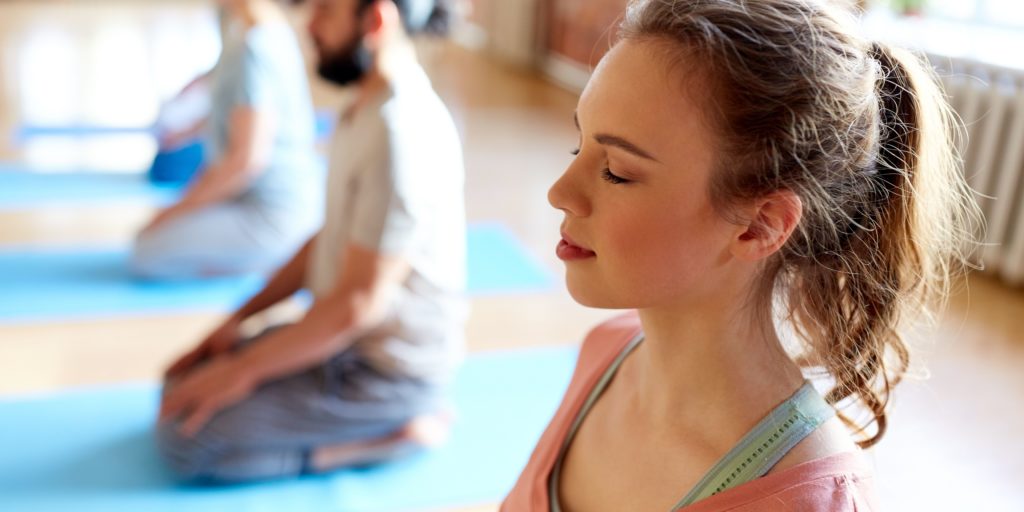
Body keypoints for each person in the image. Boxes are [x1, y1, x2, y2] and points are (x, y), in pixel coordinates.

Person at [503, 0, 978, 510]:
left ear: (759, 226)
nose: (559, 192)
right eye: (580, 147)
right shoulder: (607, 351)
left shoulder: (806, 499)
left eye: (616, 170)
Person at [155, 0, 465, 483]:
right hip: (339, 339)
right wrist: (237, 321)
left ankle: (391, 438)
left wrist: (243, 372)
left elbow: (358, 305)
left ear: (376, 20)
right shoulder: (365, 102)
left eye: (325, 10)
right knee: (178, 386)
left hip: (384, 373)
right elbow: (328, 239)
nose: (309, 24)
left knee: (187, 442)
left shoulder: (402, 130)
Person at [132, 0, 323, 279]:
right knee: (151, 239)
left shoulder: (258, 46)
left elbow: (247, 161)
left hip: (273, 213)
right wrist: (186, 133)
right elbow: (236, 110)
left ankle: (274, 263)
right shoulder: (257, 33)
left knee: (146, 251)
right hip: (259, 201)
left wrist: (174, 210)